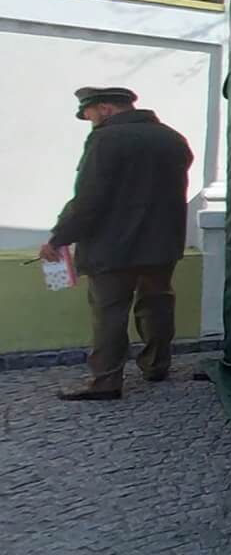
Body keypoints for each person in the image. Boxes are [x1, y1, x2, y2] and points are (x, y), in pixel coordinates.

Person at [40, 87, 193, 402]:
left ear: (106, 109)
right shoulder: (172, 138)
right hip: (162, 244)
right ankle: (156, 366)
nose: (90, 121)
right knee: (158, 304)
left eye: (90, 114)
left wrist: (59, 237)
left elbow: (88, 199)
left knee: (110, 312)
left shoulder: (106, 140)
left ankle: (106, 381)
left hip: (113, 247)